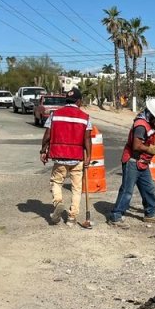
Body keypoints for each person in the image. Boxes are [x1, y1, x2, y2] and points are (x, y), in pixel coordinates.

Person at [108, 97, 155, 228]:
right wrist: (150, 149)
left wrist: (154, 144)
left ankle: (150, 215)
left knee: (148, 188)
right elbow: (136, 146)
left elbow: (145, 141)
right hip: (133, 161)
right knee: (127, 191)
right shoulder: (141, 125)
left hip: (142, 162)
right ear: (151, 114)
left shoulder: (148, 123)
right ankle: (116, 216)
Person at [40, 87, 92, 226]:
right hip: (77, 158)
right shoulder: (85, 117)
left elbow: (47, 136)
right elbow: (87, 139)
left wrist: (43, 151)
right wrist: (89, 156)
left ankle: (58, 202)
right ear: (79, 101)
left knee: (56, 182)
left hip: (59, 157)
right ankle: (72, 218)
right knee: (76, 188)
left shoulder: (55, 115)